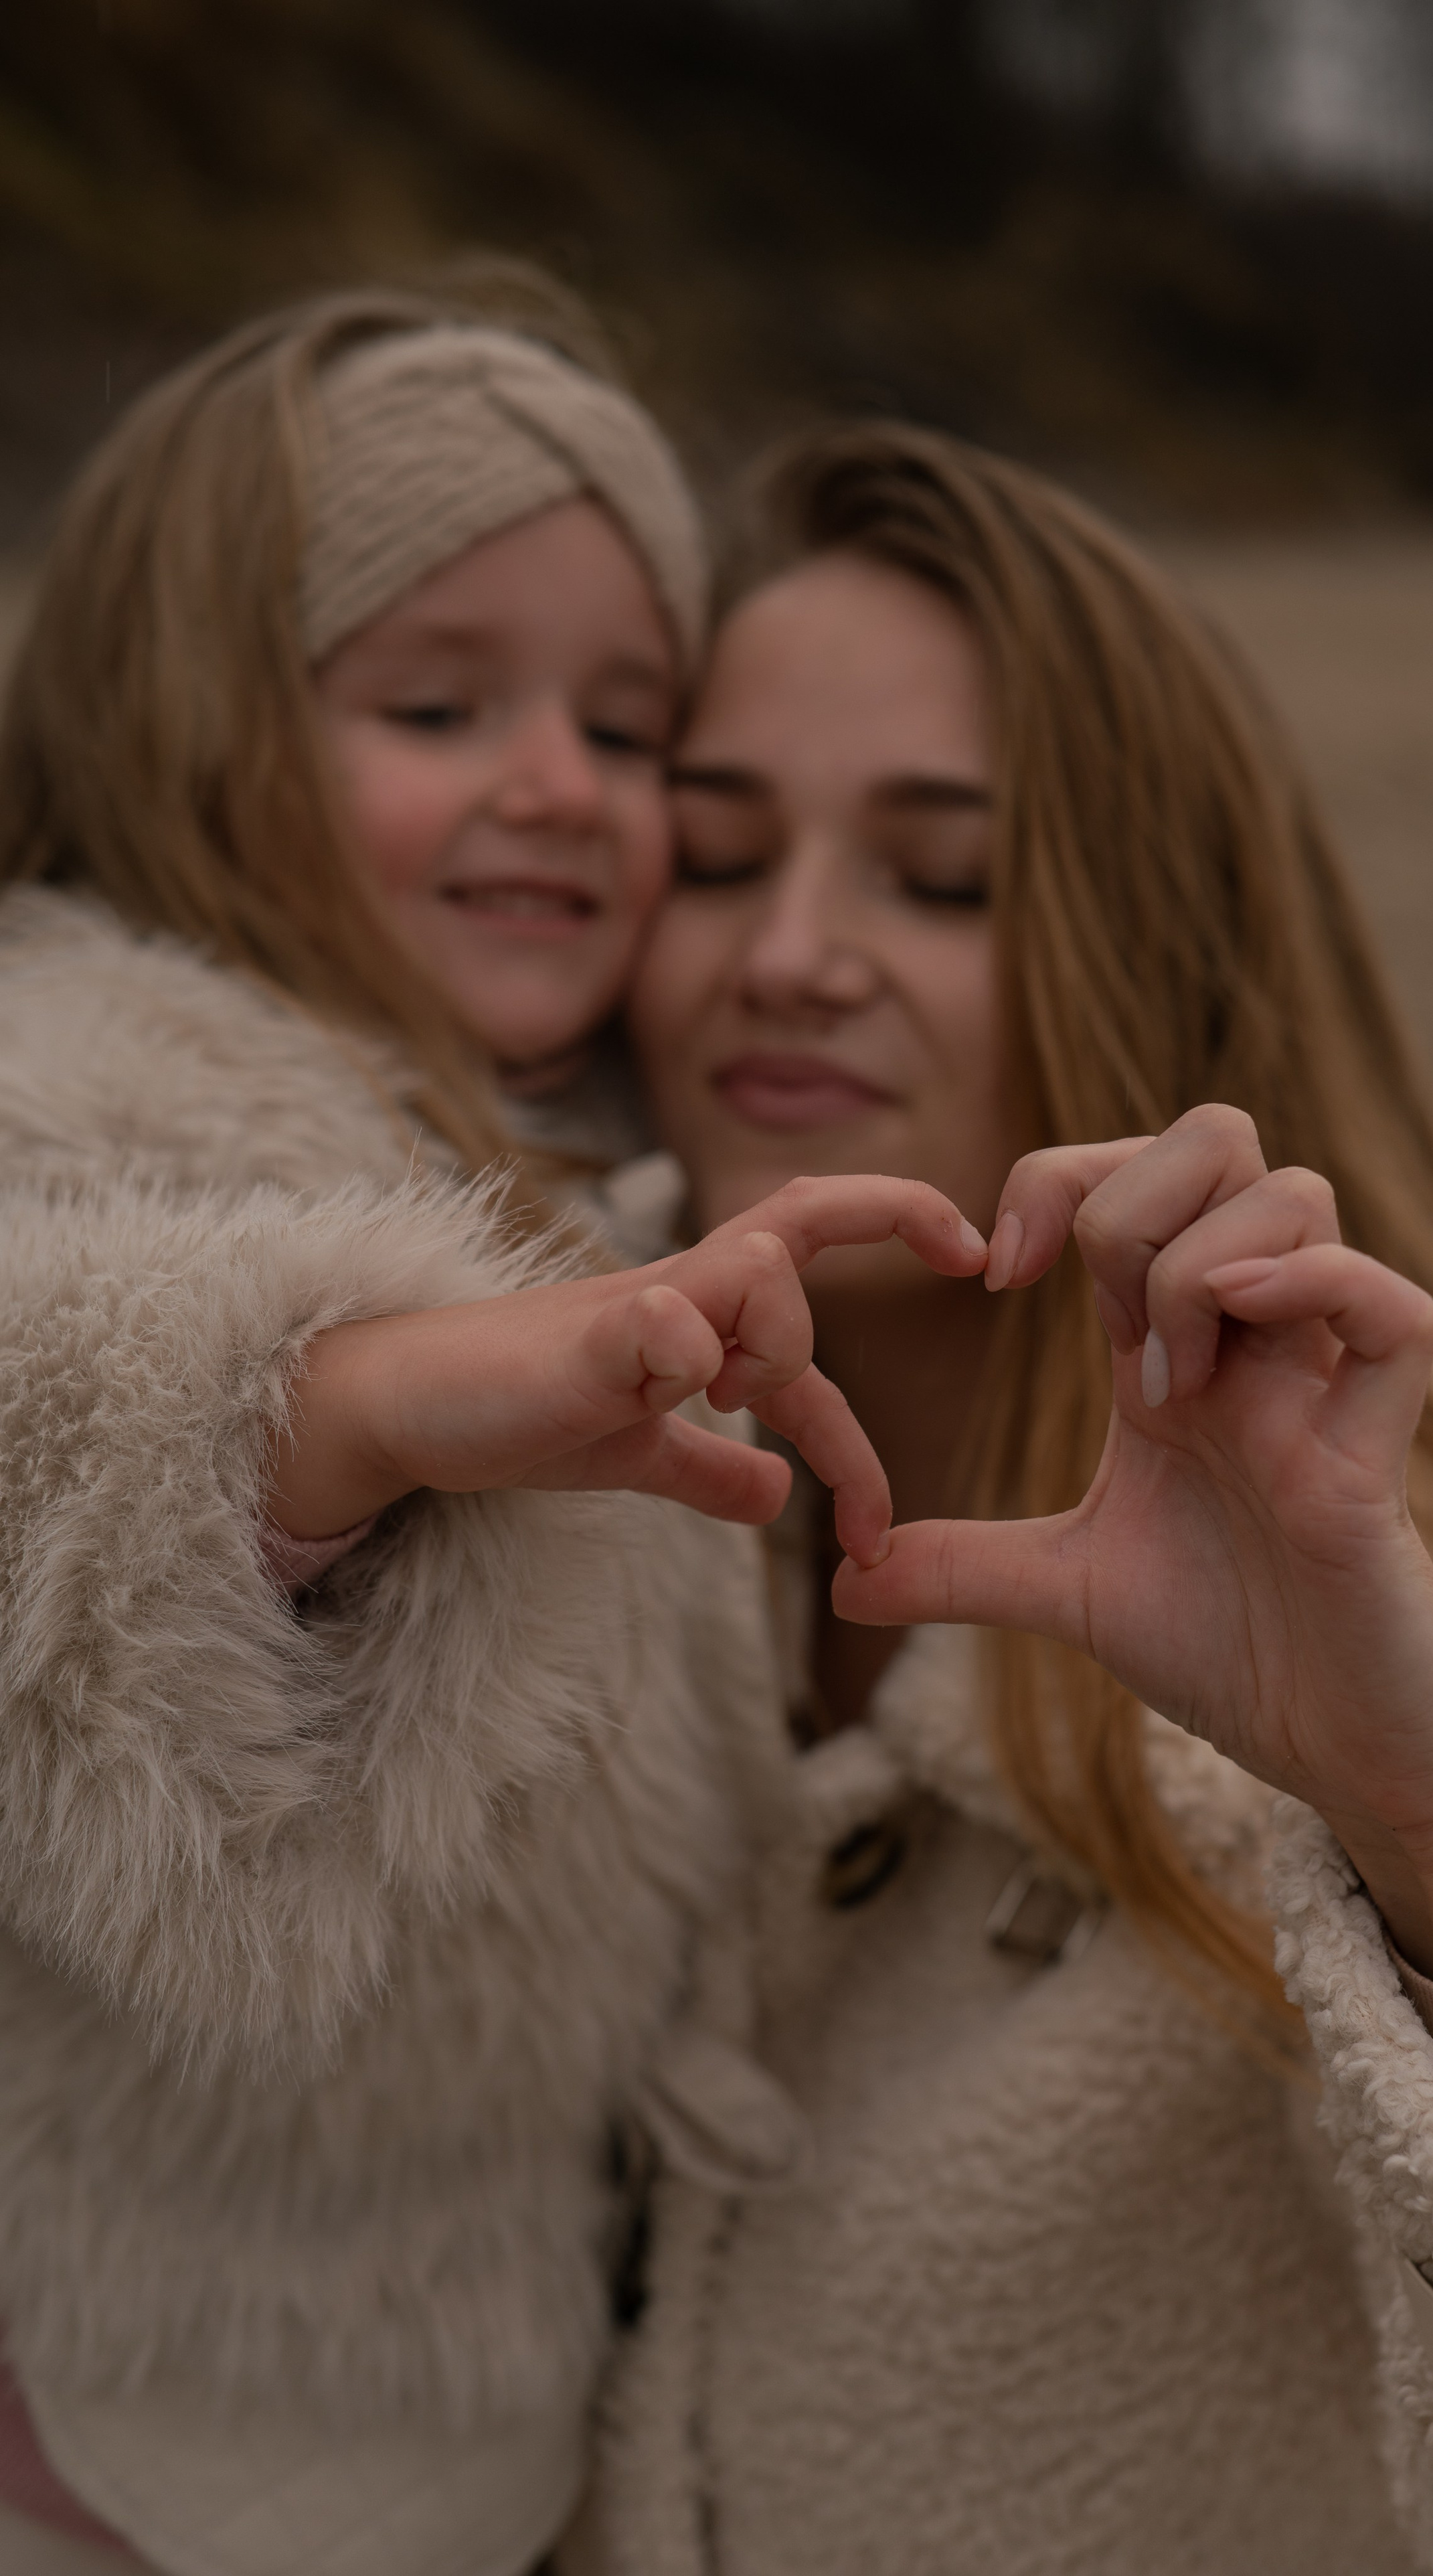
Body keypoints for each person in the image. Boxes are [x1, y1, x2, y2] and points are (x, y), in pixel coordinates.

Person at [568, 420, 1433, 2575]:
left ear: (1151, 939)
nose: (789, 951)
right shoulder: (575, 1557)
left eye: (940, 875)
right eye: (717, 856)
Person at [0, 279, 985, 2576]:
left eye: (629, 728)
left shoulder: (573, 1136)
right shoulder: (88, 1072)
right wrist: (334, 1405)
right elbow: (39, 1396)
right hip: (137, 2441)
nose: (561, 784)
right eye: (439, 704)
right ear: (191, 724)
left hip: (485, 2390)